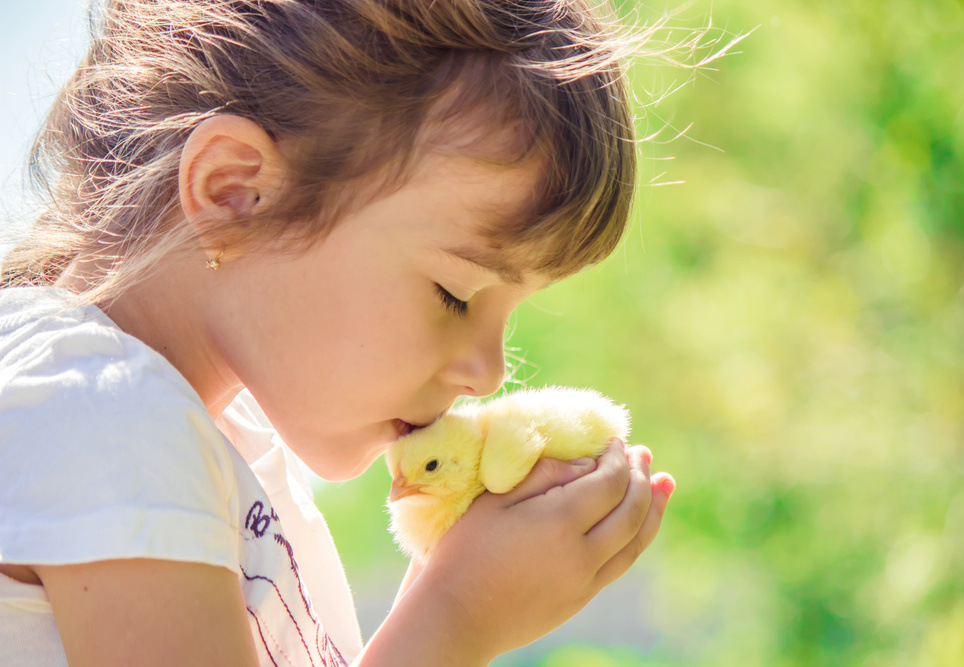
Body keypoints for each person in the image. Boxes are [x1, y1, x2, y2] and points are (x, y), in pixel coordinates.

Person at [0, 0, 677, 664]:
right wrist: (456, 616)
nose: (489, 373)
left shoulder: (237, 455)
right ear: (234, 191)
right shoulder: (105, 410)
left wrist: (453, 581)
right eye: (454, 293)